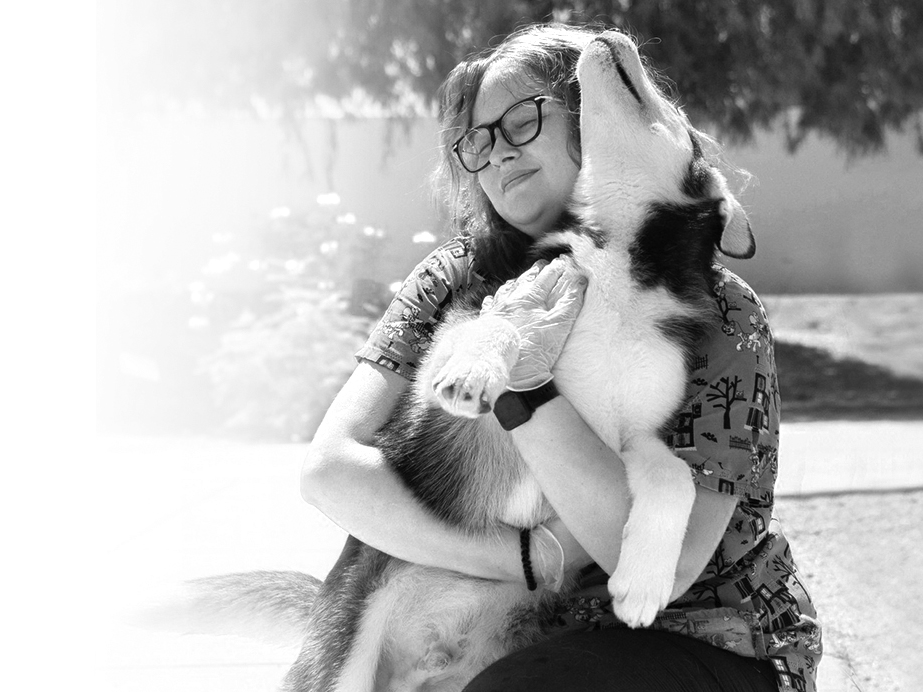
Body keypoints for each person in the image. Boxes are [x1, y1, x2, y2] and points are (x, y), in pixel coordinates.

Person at [300, 23, 822, 692]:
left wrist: (521, 385)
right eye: (476, 141)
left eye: (520, 121)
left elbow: (676, 561)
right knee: (364, 564)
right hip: (521, 617)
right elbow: (329, 471)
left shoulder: (720, 313)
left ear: (592, 116)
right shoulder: (453, 275)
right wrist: (520, 560)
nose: (495, 155)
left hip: (696, 635)